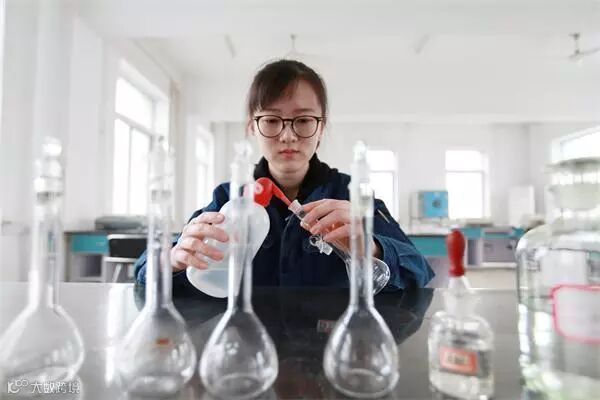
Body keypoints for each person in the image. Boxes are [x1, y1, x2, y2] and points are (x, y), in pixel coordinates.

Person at [134, 59, 433, 291]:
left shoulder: (351, 195)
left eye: (303, 120)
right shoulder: (229, 197)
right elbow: (145, 270)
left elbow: (419, 271)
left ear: (321, 127)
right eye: (272, 120)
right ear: (252, 127)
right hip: (250, 344)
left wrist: (371, 247)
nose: (288, 136)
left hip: (330, 345)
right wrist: (174, 260)